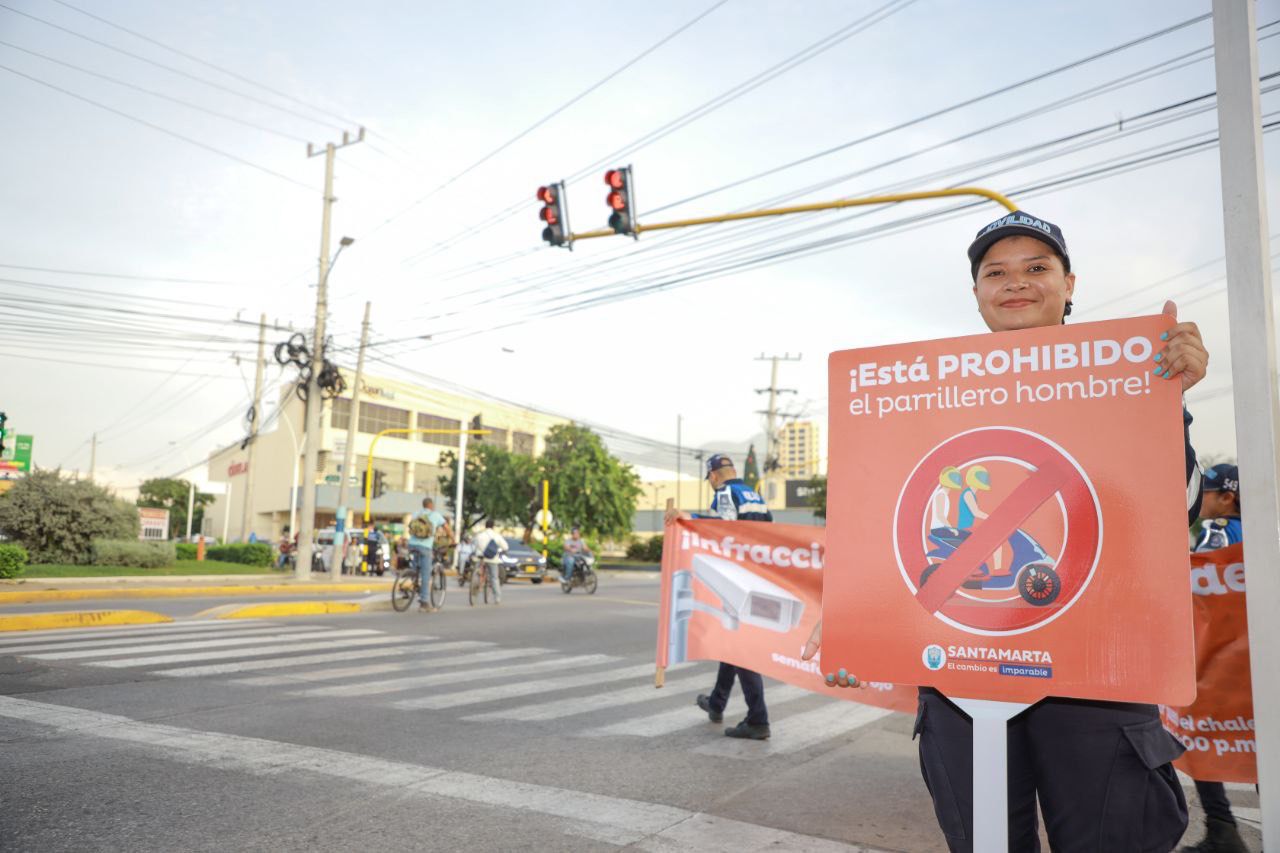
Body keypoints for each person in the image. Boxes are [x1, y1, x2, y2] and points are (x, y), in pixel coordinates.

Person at [803, 211, 1208, 852]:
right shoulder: (928, 396)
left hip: (1095, 672)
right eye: (996, 271)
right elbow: (884, 515)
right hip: (961, 671)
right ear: (976, 293)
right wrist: (856, 620)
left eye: (1036, 268)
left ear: (1069, 284)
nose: (1015, 282)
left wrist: (1170, 406)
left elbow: (1173, 515)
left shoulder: (1133, 377)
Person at [666, 453, 774, 740]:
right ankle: (717, 702)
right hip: (757, 577)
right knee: (732, 642)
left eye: (710, 479)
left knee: (739, 648)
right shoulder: (754, 495)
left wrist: (689, 519)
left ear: (713, 476)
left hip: (735, 579)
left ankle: (758, 719)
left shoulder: (725, 492)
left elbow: (721, 528)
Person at [1183, 463, 1247, 853]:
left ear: (1227, 496)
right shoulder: (1263, 531)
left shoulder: (1217, 532)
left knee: (1203, 738)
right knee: (1260, 747)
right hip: (1254, 661)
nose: (1201, 500)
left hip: (1220, 660)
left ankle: (1222, 828)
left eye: (1206, 492)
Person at [408, 498, 447, 612]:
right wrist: (453, 538)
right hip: (425, 547)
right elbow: (446, 528)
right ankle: (424, 603)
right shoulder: (436, 515)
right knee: (425, 575)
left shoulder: (416, 513)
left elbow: (410, 526)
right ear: (431, 505)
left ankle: (413, 582)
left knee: (415, 570)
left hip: (412, 545)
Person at [1192, 463, 1241, 553]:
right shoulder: (1256, 529)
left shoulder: (1216, 530)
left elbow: (1204, 566)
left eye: (1204, 492)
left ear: (1226, 498)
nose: (1198, 497)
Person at [472, 519, 508, 604]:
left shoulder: (479, 535)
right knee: (494, 578)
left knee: (477, 570)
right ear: (493, 526)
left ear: (485, 526)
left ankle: (476, 581)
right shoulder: (496, 536)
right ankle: (497, 598)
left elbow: (474, 545)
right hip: (492, 559)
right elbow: (505, 547)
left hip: (480, 557)